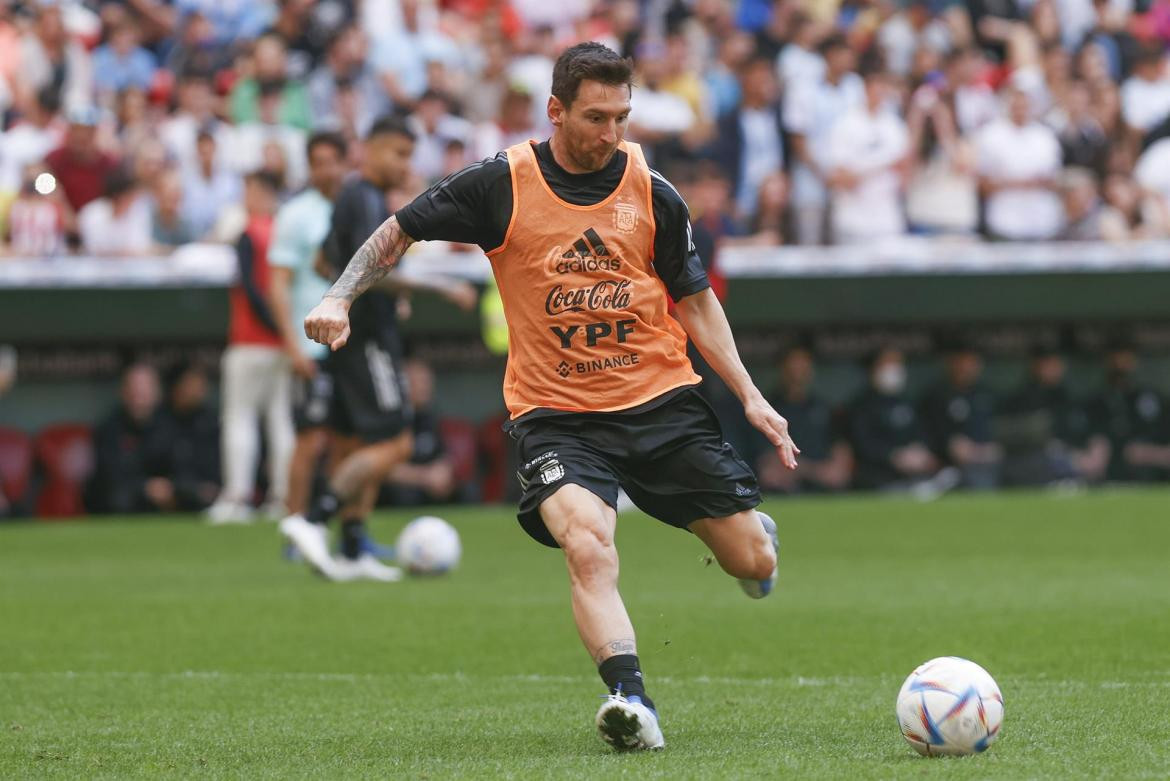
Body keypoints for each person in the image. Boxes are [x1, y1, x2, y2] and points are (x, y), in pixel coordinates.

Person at [303, 42, 798, 752]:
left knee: (751, 560)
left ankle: (756, 548)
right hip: (557, 416)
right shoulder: (502, 182)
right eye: (597, 118)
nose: (612, 134)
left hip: (660, 402)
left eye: (622, 116)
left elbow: (694, 302)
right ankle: (631, 699)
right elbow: (398, 229)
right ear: (556, 111)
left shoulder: (651, 189)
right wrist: (338, 296)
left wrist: (750, 394)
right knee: (589, 547)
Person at [280, 116, 476, 583]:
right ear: (370, 150)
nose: (405, 165)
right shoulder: (366, 198)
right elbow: (376, 266)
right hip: (367, 338)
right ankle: (313, 518)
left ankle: (351, 549)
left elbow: (325, 259)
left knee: (353, 443)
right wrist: (441, 288)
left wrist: (361, 291)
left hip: (349, 335)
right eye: (400, 154)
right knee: (396, 441)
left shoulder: (351, 197)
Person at [267, 131, 348, 518]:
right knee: (310, 440)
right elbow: (277, 286)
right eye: (318, 162)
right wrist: (290, 344)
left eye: (333, 160)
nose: (326, 170)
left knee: (346, 441)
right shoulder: (296, 213)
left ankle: (331, 528)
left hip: (352, 342)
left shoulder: (359, 204)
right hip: (312, 343)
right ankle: (294, 525)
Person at [206, 172, 295, 524]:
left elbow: (251, 290)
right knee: (279, 419)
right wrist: (285, 333)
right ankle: (282, 498)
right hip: (283, 343)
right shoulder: (283, 234)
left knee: (240, 418)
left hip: (249, 340)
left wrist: (271, 326)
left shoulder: (250, 233)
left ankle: (238, 498)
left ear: (262, 193)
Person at [756, 345, 851, 494]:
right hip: (783, 488)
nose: (798, 369)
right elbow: (766, 464)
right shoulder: (766, 408)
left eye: (803, 362)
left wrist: (816, 471)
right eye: (793, 362)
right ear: (782, 367)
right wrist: (807, 471)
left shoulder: (824, 408)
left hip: (824, 486)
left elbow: (840, 452)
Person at [920, 342, 1002, 490]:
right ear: (951, 363)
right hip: (950, 464)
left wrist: (996, 447)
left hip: (991, 459)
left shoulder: (987, 394)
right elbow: (931, 433)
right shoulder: (937, 396)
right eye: (962, 362)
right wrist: (949, 446)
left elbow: (1002, 430)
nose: (966, 367)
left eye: (971, 363)